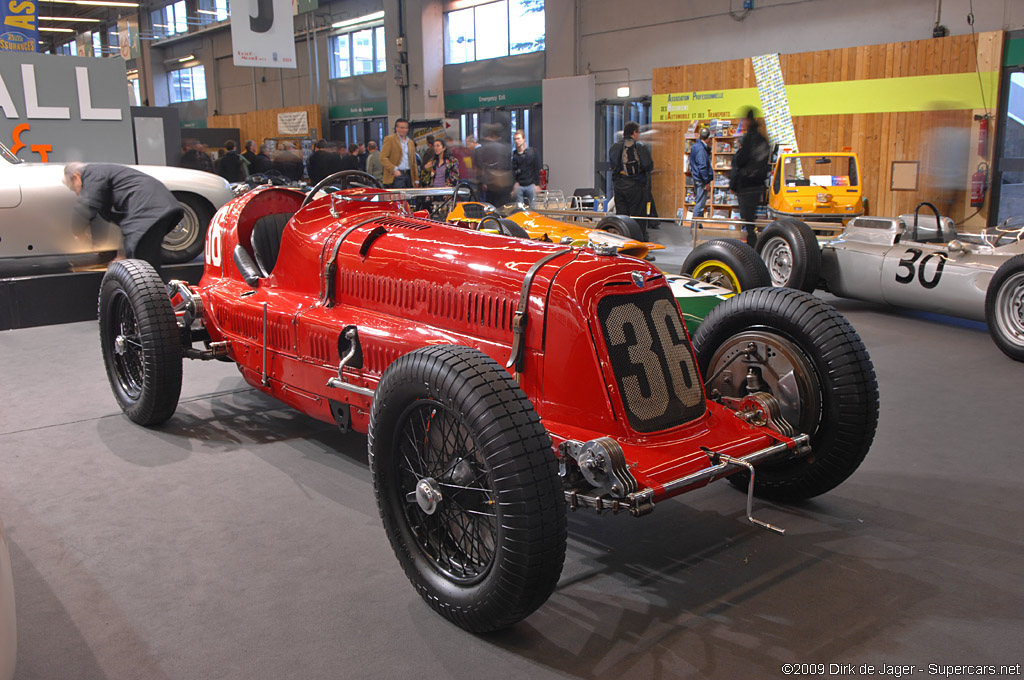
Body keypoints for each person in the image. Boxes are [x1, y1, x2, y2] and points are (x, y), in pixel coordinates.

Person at [63, 162, 184, 280]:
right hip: (160, 206)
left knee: (140, 262)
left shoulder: (93, 173)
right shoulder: (104, 174)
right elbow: (101, 216)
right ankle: (154, 292)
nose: (76, 193)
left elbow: (86, 206)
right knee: (144, 256)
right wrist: (100, 247)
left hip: (149, 208)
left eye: (74, 188)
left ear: (76, 176)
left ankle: (153, 295)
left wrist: (78, 233)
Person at [730, 108, 772, 247]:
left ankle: (751, 245)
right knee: (751, 217)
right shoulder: (763, 140)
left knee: (747, 219)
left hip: (746, 184)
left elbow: (740, 162)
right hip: (758, 184)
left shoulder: (748, 140)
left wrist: (733, 185)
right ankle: (752, 242)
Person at [608, 121, 653, 221]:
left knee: (622, 216)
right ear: (634, 133)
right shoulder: (639, 147)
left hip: (619, 186)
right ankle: (637, 236)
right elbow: (648, 165)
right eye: (639, 132)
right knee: (638, 216)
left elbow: (613, 166)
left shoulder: (614, 147)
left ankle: (623, 235)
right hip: (636, 186)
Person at [473, 123, 513, 206]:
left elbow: (480, 165)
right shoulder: (507, 147)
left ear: (491, 133)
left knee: (490, 208)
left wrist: (483, 181)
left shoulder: (484, 147)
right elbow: (510, 165)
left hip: (491, 184)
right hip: (506, 184)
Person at [381, 118, 419, 188]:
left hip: (409, 174)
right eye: (401, 128)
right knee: (398, 197)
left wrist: (416, 179)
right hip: (396, 175)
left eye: (405, 128)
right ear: (396, 128)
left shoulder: (410, 142)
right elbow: (383, 158)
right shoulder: (389, 139)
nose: (403, 130)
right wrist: (394, 169)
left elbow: (414, 162)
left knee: (409, 197)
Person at [689, 126, 713, 225]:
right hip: (701, 180)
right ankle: (694, 226)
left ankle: (697, 225)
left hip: (697, 178)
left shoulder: (695, 146)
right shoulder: (701, 150)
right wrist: (706, 181)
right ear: (707, 138)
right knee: (700, 203)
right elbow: (702, 166)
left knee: (699, 202)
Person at [511, 129, 541, 208]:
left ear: (523, 139)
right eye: (515, 139)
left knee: (533, 208)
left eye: (519, 138)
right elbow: (513, 171)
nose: (517, 141)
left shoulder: (532, 152)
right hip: (519, 185)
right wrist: (515, 183)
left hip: (531, 184)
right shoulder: (514, 155)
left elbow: (537, 168)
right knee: (519, 209)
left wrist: (537, 184)